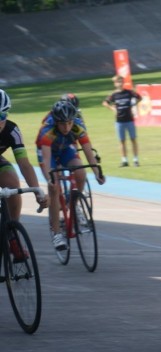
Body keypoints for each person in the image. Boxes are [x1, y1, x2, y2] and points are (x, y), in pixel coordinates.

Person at [36, 100, 105, 251]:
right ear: (56, 122)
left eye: (69, 123)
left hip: (66, 149)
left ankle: (72, 205)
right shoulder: (47, 130)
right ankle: (56, 233)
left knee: (81, 172)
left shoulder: (78, 125)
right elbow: (47, 160)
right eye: (62, 124)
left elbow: (87, 150)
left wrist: (97, 172)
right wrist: (50, 177)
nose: (66, 127)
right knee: (54, 187)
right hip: (48, 152)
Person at [0, 90, 47, 235]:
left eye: (2, 116)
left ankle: (12, 232)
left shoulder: (12, 131)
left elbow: (24, 164)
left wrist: (37, 191)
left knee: (12, 184)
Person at [102, 75, 141, 167]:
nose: (119, 83)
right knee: (122, 141)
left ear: (123, 82)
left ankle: (135, 160)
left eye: (121, 81)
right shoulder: (114, 94)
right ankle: (124, 160)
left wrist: (133, 105)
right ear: (115, 84)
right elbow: (105, 103)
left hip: (129, 120)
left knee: (133, 139)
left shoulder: (129, 92)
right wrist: (112, 108)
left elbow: (139, 97)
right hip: (119, 121)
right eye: (117, 82)